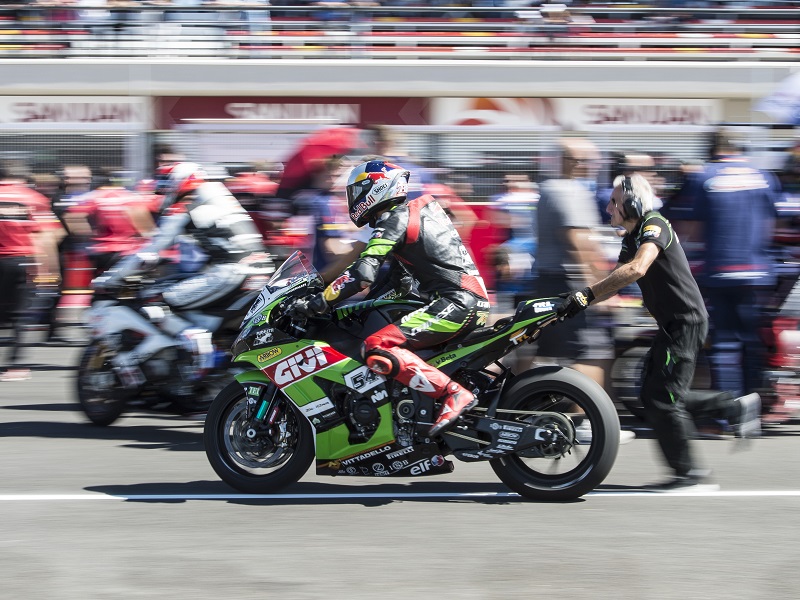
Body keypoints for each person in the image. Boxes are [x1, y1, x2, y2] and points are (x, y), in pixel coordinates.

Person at [558, 173, 762, 491]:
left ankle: (692, 474)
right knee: (652, 398)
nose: (608, 208)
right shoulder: (632, 237)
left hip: (685, 323)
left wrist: (585, 296)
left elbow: (637, 268)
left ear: (635, 204)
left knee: (664, 401)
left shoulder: (655, 225)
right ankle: (733, 407)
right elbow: (616, 279)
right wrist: (577, 296)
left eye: (614, 202)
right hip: (672, 324)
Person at [296, 159, 490, 436]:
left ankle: (453, 394)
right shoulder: (414, 213)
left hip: (457, 303)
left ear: (377, 187)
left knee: (377, 345)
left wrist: (322, 301)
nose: (353, 198)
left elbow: (362, 272)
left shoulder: (394, 219)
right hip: (465, 302)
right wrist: (355, 308)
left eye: (358, 190)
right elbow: (398, 282)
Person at [95, 162, 267, 392]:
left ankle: (197, 343)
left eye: (166, 186)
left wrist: (112, 277)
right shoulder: (222, 195)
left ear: (180, 182)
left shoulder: (188, 201)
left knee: (155, 301)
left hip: (230, 271)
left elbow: (152, 248)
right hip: (260, 271)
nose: (164, 193)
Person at [681, 131, 779, 399]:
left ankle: (729, 412)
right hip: (758, 271)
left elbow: (693, 229)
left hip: (721, 270)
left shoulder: (705, 177)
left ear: (712, 150)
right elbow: (771, 225)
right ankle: (752, 406)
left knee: (724, 343)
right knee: (751, 341)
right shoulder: (765, 177)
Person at [532, 138, 615, 395]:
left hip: (549, 280)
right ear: (569, 162)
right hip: (568, 281)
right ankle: (588, 423)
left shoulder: (550, 189)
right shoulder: (569, 191)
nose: (591, 165)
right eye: (585, 160)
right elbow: (579, 243)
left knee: (553, 354)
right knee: (592, 352)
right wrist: (601, 289)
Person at [0, 165, 64, 381]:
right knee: (20, 315)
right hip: (21, 260)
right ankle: (16, 366)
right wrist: (51, 271)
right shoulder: (34, 198)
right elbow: (48, 236)